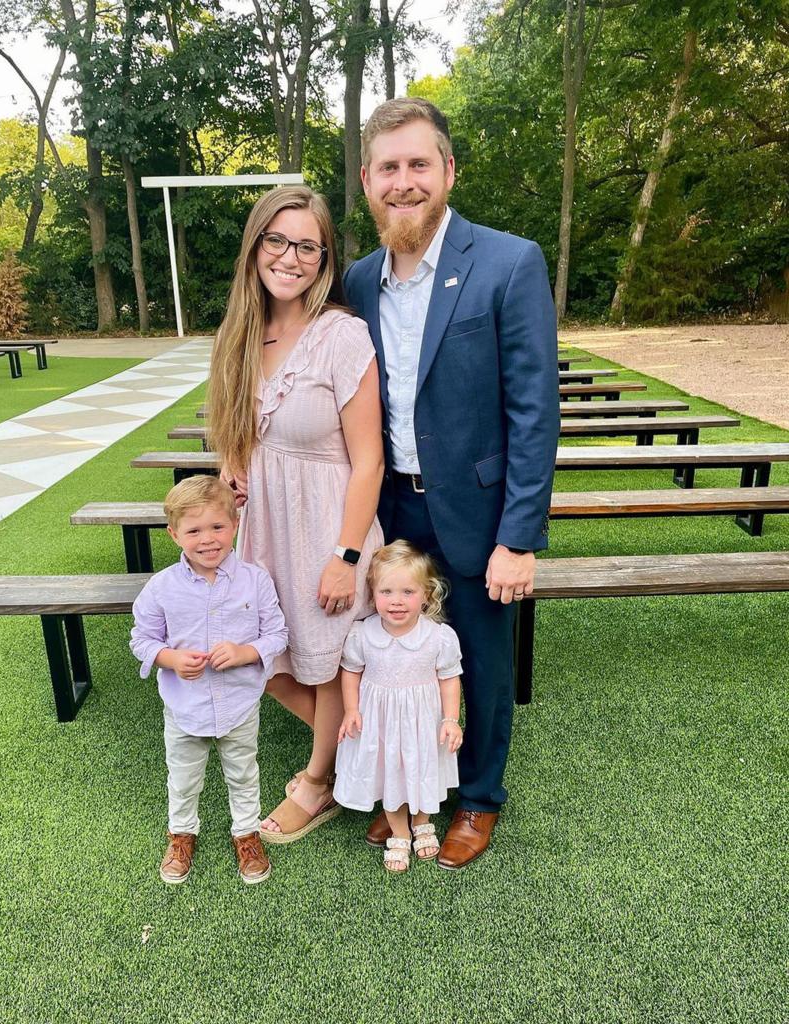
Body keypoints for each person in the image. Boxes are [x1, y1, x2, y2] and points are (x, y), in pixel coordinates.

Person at [343, 97, 560, 869]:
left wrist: (518, 537)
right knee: (397, 653)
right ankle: (405, 790)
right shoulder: (358, 280)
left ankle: (478, 799)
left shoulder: (508, 260)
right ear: (367, 180)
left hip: (478, 510)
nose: (404, 182)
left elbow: (535, 409)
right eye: (388, 168)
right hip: (391, 509)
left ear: (448, 171)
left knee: (479, 659)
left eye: (419, 165)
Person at [208, 185, 384, 844]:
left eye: (307, 245)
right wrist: (235, 465)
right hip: (265, 527)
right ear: (255, 247)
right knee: (265, 661)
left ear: (325, 258)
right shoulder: (242, 335)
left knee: (330, 660)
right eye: (277, 240)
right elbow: (240, 435)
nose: (291, 256)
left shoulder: (341, 335)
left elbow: (369, 460)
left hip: (328, 525)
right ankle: (361, 751)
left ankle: (319, 781)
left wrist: (345, 558)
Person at [129, 475, 288, 885]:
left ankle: (246, 833)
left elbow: (276, 634)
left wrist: (245, 652)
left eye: (218, 526)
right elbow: (142, 640)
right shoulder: (161, 587)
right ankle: (182, 834)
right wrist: (170, 658)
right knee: (183, 776)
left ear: (234, 524)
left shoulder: (256, 580)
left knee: (243, 772)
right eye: (194, 530)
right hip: (186, 707)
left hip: (239, 704)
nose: (208, 539)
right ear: (174, 534)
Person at [334, 541, 463, 873]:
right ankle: (400, 830)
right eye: (386, 591)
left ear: (426, 595)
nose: (396, 601)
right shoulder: (363, 635)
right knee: (389, 771)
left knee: (422, 767)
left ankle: (422, 821)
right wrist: (351, 710)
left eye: (408, 591)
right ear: (373, 593)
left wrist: (450, 718)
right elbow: (351, 672)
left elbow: (449, 678)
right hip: (381, 723)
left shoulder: (437, 638)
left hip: (423, 722)